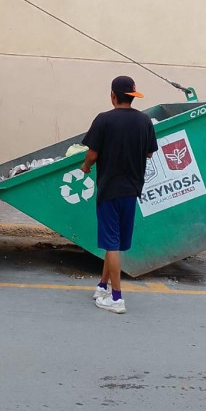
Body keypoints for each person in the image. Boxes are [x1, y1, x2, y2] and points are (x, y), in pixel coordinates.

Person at [80, 76, 158, 314]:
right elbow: (149, 154)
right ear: (133, 96)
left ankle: (116, 298)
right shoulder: (144, 121)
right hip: (132, 190)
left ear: (113, 95)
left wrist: (85, 166)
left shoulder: (104, 120)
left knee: (110, 243)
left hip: (109, 189)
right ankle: (103, 287)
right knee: (113, 242)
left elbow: (92, 155)